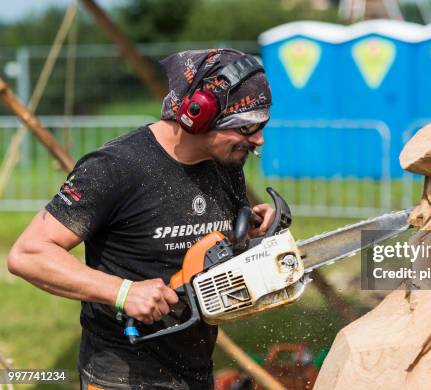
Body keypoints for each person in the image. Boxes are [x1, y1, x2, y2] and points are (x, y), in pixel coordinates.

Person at [7, 48, 275, 389]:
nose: (258, 139)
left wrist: (248, 233)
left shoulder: (225, 163)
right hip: (122, 374)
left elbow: (206, 244)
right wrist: (123, 292)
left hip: (195, 368)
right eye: (247, 127)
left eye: (262, 126)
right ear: (198, 114)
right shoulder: (116, 168)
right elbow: (28, 253)